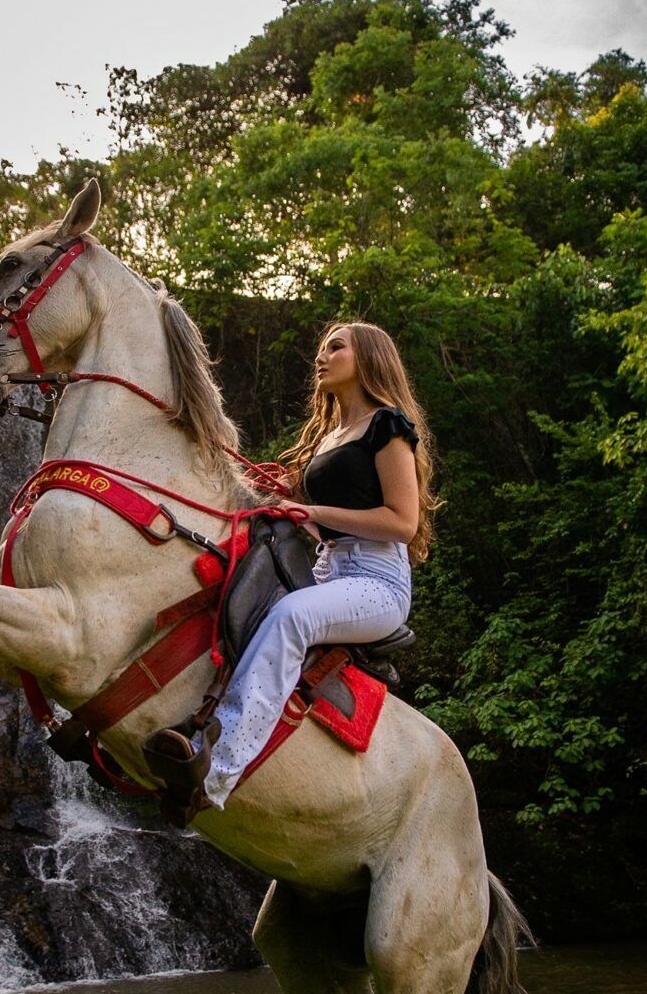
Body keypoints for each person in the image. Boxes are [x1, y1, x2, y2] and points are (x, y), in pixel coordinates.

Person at [142, 320, 439, 820]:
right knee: (239, 599)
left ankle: (216, 772)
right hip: (329, 569)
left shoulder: (390, 426)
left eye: (335, 348)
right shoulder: (330, 437)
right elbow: (323, 514)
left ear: (367, 357)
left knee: (293, 617)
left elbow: (402, 523)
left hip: (377, 582)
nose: (321, 357)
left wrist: (314, 512)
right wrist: (290, 494)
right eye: (321, 348)